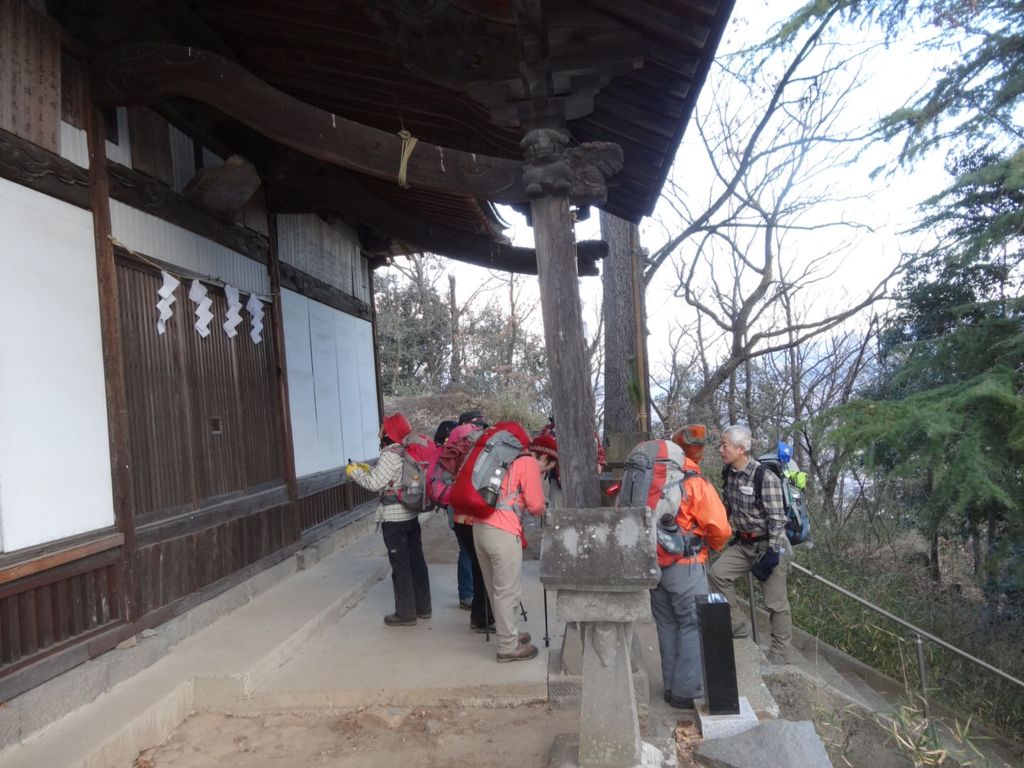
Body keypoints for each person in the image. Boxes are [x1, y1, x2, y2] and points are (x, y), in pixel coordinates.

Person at [650, 425, 732, 709]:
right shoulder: (695, 482)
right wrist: (710, 545)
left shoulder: (652, 477)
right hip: (685, 565)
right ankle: (686, 693)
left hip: (654, 564)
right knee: (691, 624)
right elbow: (720, 529)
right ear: (699, 451)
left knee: (666, 624)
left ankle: (671, 687)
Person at [707, 424, 792, 664]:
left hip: (769, 544)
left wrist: (774, 552)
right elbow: (728, 508)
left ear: (742, 449)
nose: (721, 449)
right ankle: (738, 628)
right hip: (744, 543)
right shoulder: (729, 473)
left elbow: (777, 518)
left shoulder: (764, 476)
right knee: (717, 574)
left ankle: (780, 654)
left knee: (775, 602)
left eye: (725, 445)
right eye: (722, 444)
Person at [472, 432, 556, 662]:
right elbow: (536, 504)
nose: (544, 472)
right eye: (547, 468)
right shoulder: (528, 462)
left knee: (495, 590)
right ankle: (508, 646)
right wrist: (541, 507)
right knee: (507, 592)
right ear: (544, 458)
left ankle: (510, 634)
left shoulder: (507, 459)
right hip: (503, 532)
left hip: (480, 527)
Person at [347, 412, 431, 627]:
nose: (379, 431)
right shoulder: (406, 452)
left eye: (383, 428)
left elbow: (375, 483)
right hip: (410, 514)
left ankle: (405, 613)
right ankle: (423, 607)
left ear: (389, 432)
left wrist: (355, 473)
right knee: (416, 561)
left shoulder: (389, 455)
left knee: (400, 564)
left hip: (394, 519)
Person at [449, 411, 494, 633]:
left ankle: (478, 613)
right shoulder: (479, 456)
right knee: (483, 568)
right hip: (474, 517)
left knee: (475, 563)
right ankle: (482, 617)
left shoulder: (457, 450)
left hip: (459, 515)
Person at [435, 418, 473, 611]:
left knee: (467, 550)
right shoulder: (455, 455)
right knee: (467, 550)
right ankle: (467, 594)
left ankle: (469, 593)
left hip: (459, 510)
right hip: (461, 510)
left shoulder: (451, 453)